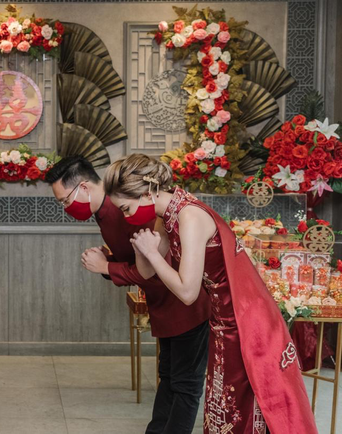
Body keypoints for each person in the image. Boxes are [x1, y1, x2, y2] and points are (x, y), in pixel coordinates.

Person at [105, 153, 318, 434]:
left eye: (126, 208)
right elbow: (147, 269)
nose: (125, 215)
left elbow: (187, 292)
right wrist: (142, 248)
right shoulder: (166, 215)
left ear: (150, 192)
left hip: (245, 320)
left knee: (239, 404)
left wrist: (149, 253)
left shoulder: (190, 217)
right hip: (223, 318)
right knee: (222, 404)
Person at [45, 156, 210, 434]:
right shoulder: (105, 212)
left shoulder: (129, 208)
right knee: (169, 377)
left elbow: (152, 266)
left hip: (184, 302)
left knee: (185, 385)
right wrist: (109, 262)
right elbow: (137, 261)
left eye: (64, 201)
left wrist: (107, 266)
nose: (65, 208)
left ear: (84, 188)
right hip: (164, 303)